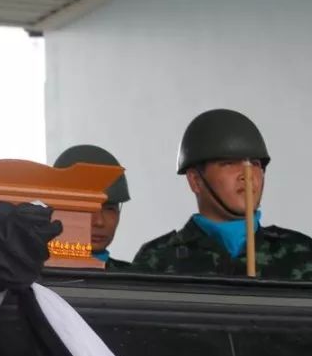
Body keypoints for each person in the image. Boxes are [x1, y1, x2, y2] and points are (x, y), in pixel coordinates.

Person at [131, 109, 312, 279]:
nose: (247, 175)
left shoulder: (301, 253)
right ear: (196, 180)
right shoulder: (159, 259)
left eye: (255, 164)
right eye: (229, 163)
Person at [52, 144, 132, 269]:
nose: (99, 222)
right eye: (87, 209)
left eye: (109, 209)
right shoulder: (29, 274)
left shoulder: (132, 277)